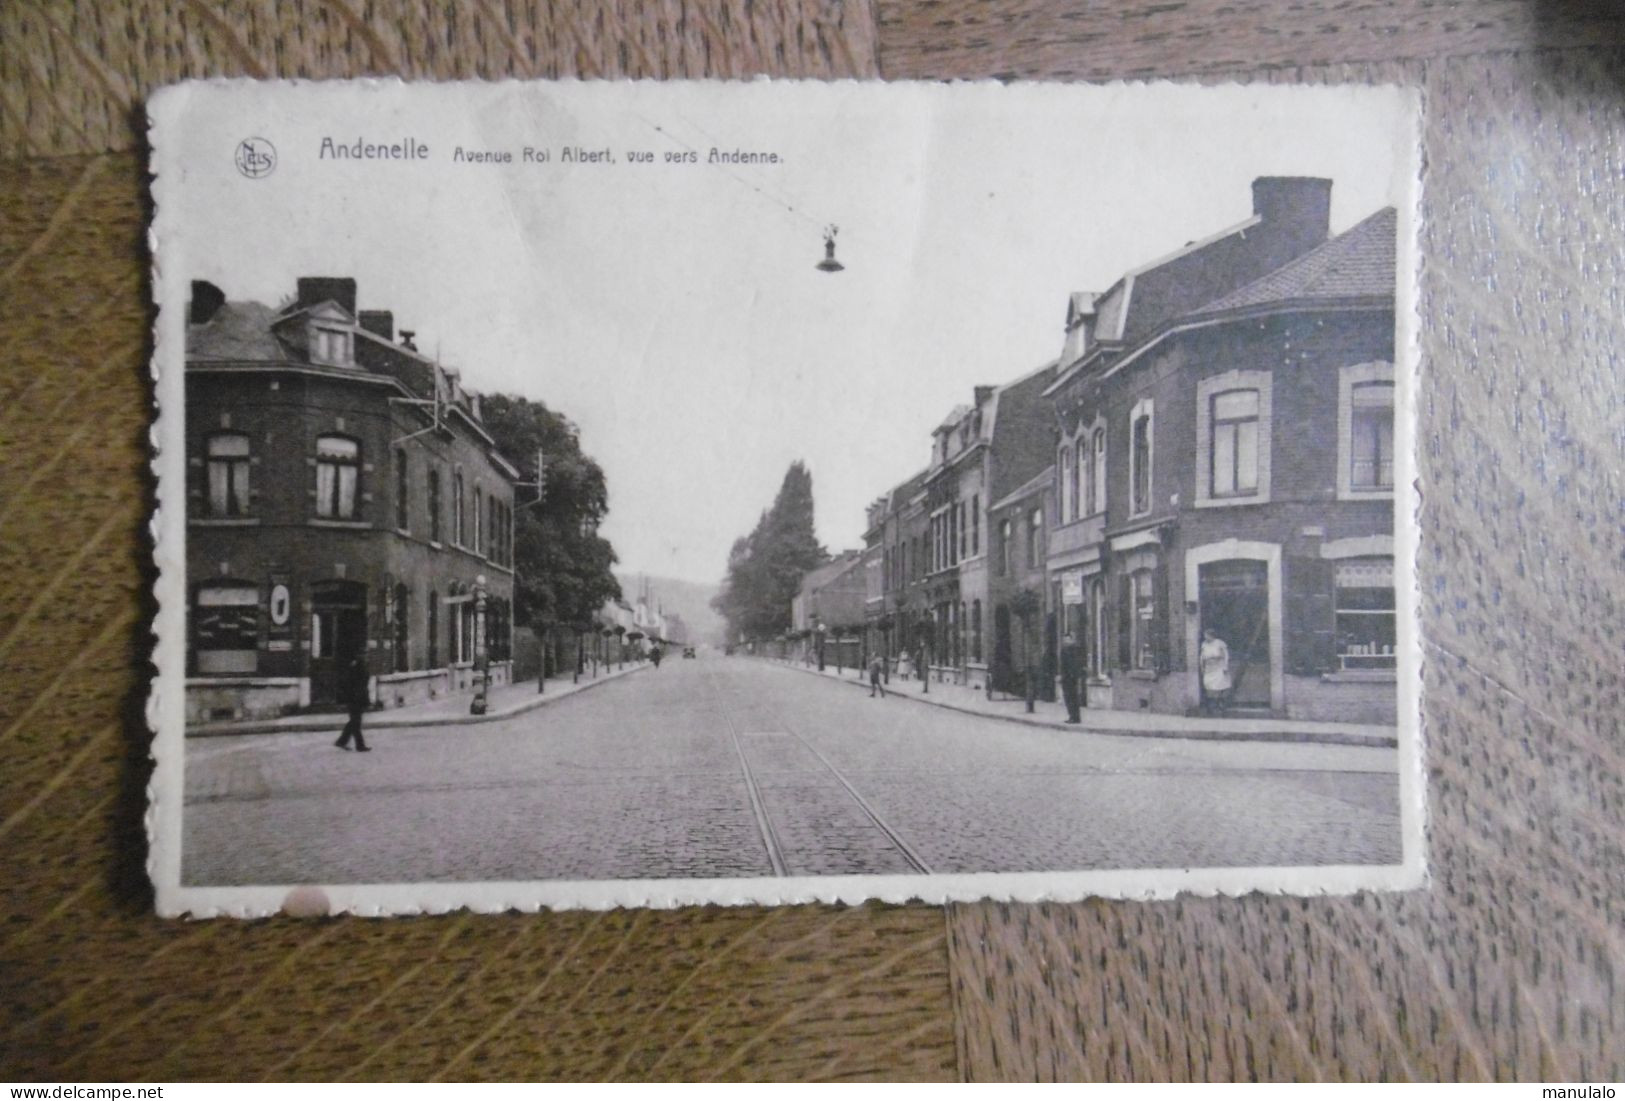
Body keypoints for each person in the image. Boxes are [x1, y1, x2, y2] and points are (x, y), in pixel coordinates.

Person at [334, 653, 371, 752]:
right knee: (356, 722)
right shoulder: (358, 669)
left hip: (355, 699)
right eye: (365, 655)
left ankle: (342, 741)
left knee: (353, 722)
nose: (366, 657)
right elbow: (359, 687)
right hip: (355, 699)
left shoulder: (354, 668)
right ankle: (360, 745)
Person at [1199, 626, 1232, 715]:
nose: (1205, 637)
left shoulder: (1220, 643)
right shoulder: (1204, 644)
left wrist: (1225, 666)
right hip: (1209, 668)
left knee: (1220, 685)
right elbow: (1202, 656)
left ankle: (1220, 706)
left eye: (1207, 635)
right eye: (1205, 635)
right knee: (1209, 686)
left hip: (1219, 667)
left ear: (1211, 635)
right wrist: (1202, 666)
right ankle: (1211, 707)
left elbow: (1226, 655)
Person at [1058, 630, 1083, 724]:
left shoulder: (1067, 650)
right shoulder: (1073, 649)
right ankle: (1074, 716)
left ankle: (1073, 717)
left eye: (1067, 639)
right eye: (1064, 639)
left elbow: (1069, 665)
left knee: (1070, 698)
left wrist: (1066, 676)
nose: (1065, 641)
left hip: (1069, 678)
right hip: (1070, 677)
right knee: (1072, 698)